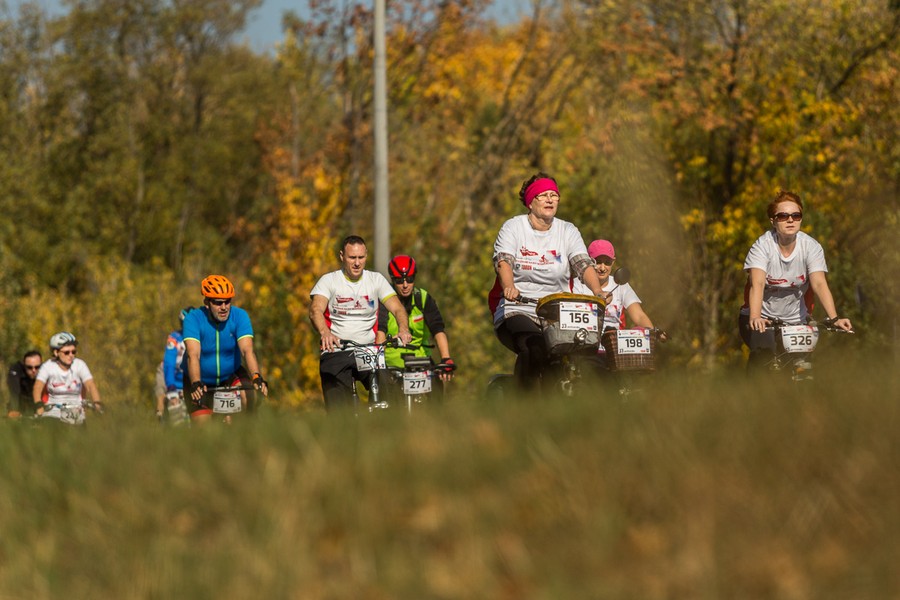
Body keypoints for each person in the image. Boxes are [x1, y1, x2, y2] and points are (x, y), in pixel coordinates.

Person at [491, 172, 607, 389]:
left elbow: (583, 265)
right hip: (520, 308)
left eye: (554, 195)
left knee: (574, 358)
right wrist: (509, 287)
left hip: (557, 312)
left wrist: (597, 291)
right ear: (530, 202)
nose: (550, 200)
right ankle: (522, 400)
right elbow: (503, 261)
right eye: (543, 195)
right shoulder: (513, 227)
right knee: (535, 348)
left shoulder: (568, 230)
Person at [739, 189, 853, 369]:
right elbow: (757, 283)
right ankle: (755, 384)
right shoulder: (762, 247)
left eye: (796, 215)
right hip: (762, 318)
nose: (790, 220)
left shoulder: (811, 247)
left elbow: (819, 283)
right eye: (783, 216)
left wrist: (834, 318)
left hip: (796, 321)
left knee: (800, 367)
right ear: (773, 221)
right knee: (765, 359)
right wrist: (755, 316)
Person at [309, 235, 412, 411]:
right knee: (338, 409)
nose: (357, 263)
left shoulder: (376, 280)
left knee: (389, 393)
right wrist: (325, 332)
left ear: (366, 255)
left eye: (361, 257)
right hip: (337, 350)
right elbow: (315, 310)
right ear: (342, 256)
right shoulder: (329, 281)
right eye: (352, 258)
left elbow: (398, 309)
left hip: (368, 350)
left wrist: (403, 329)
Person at [183, 275, 268, 424]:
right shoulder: (193, 319)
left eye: (227, 301)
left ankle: (246, 432)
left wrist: (256, 376)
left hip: (230, 375)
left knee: (249, 397)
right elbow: (193, 355)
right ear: (207, 302)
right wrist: (196, 382)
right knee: (204, 429)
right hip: (201, 380)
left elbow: (247, 350)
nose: (224, 307)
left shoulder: (239, 316)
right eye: (218, 302)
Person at [572, 239, 664, 369]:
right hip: (586, 349)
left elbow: (639, 315)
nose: (602, 268)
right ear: (588, 262)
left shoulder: (621, 285)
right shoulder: (577, 285)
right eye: (597, 262)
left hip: (616, 351)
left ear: (613, 262)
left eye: (607, 262)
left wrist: (653, 333)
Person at [375, 255, 455, 398]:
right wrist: (378, 362)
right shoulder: (385, 300)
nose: (405, 285)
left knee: (436, 389)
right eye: (399, 281)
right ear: (392, 280)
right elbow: (380, 331)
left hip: (421, 359)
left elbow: (438, 329)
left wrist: (445, 358)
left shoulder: (422, 298)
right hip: (392, 361)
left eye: (410, 279)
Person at [32, 332, 102, 425]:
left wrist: (97, 403)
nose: (71, 355)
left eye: (73, 352)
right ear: (56, 352)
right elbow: (37, 387)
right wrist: (38, 405)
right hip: (53, 413)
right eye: (66, 352)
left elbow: (90, 385)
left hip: (76, 413)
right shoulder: (48, 366)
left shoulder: (80, 365)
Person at [154, 307, 193, 423]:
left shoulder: (202, 337)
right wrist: (171, 388)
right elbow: (169, 364)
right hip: (171, 377)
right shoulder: (174, 338)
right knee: (161, 380)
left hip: (190, 381)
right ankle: (160, 413)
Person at [6, 350, 42, 419]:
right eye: (29, 367)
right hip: (21, 405)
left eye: (37, 367)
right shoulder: (17, 369)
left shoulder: (46, 371)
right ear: (24, 365)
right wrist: (14, 409)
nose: (34, 370)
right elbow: (14, 391)